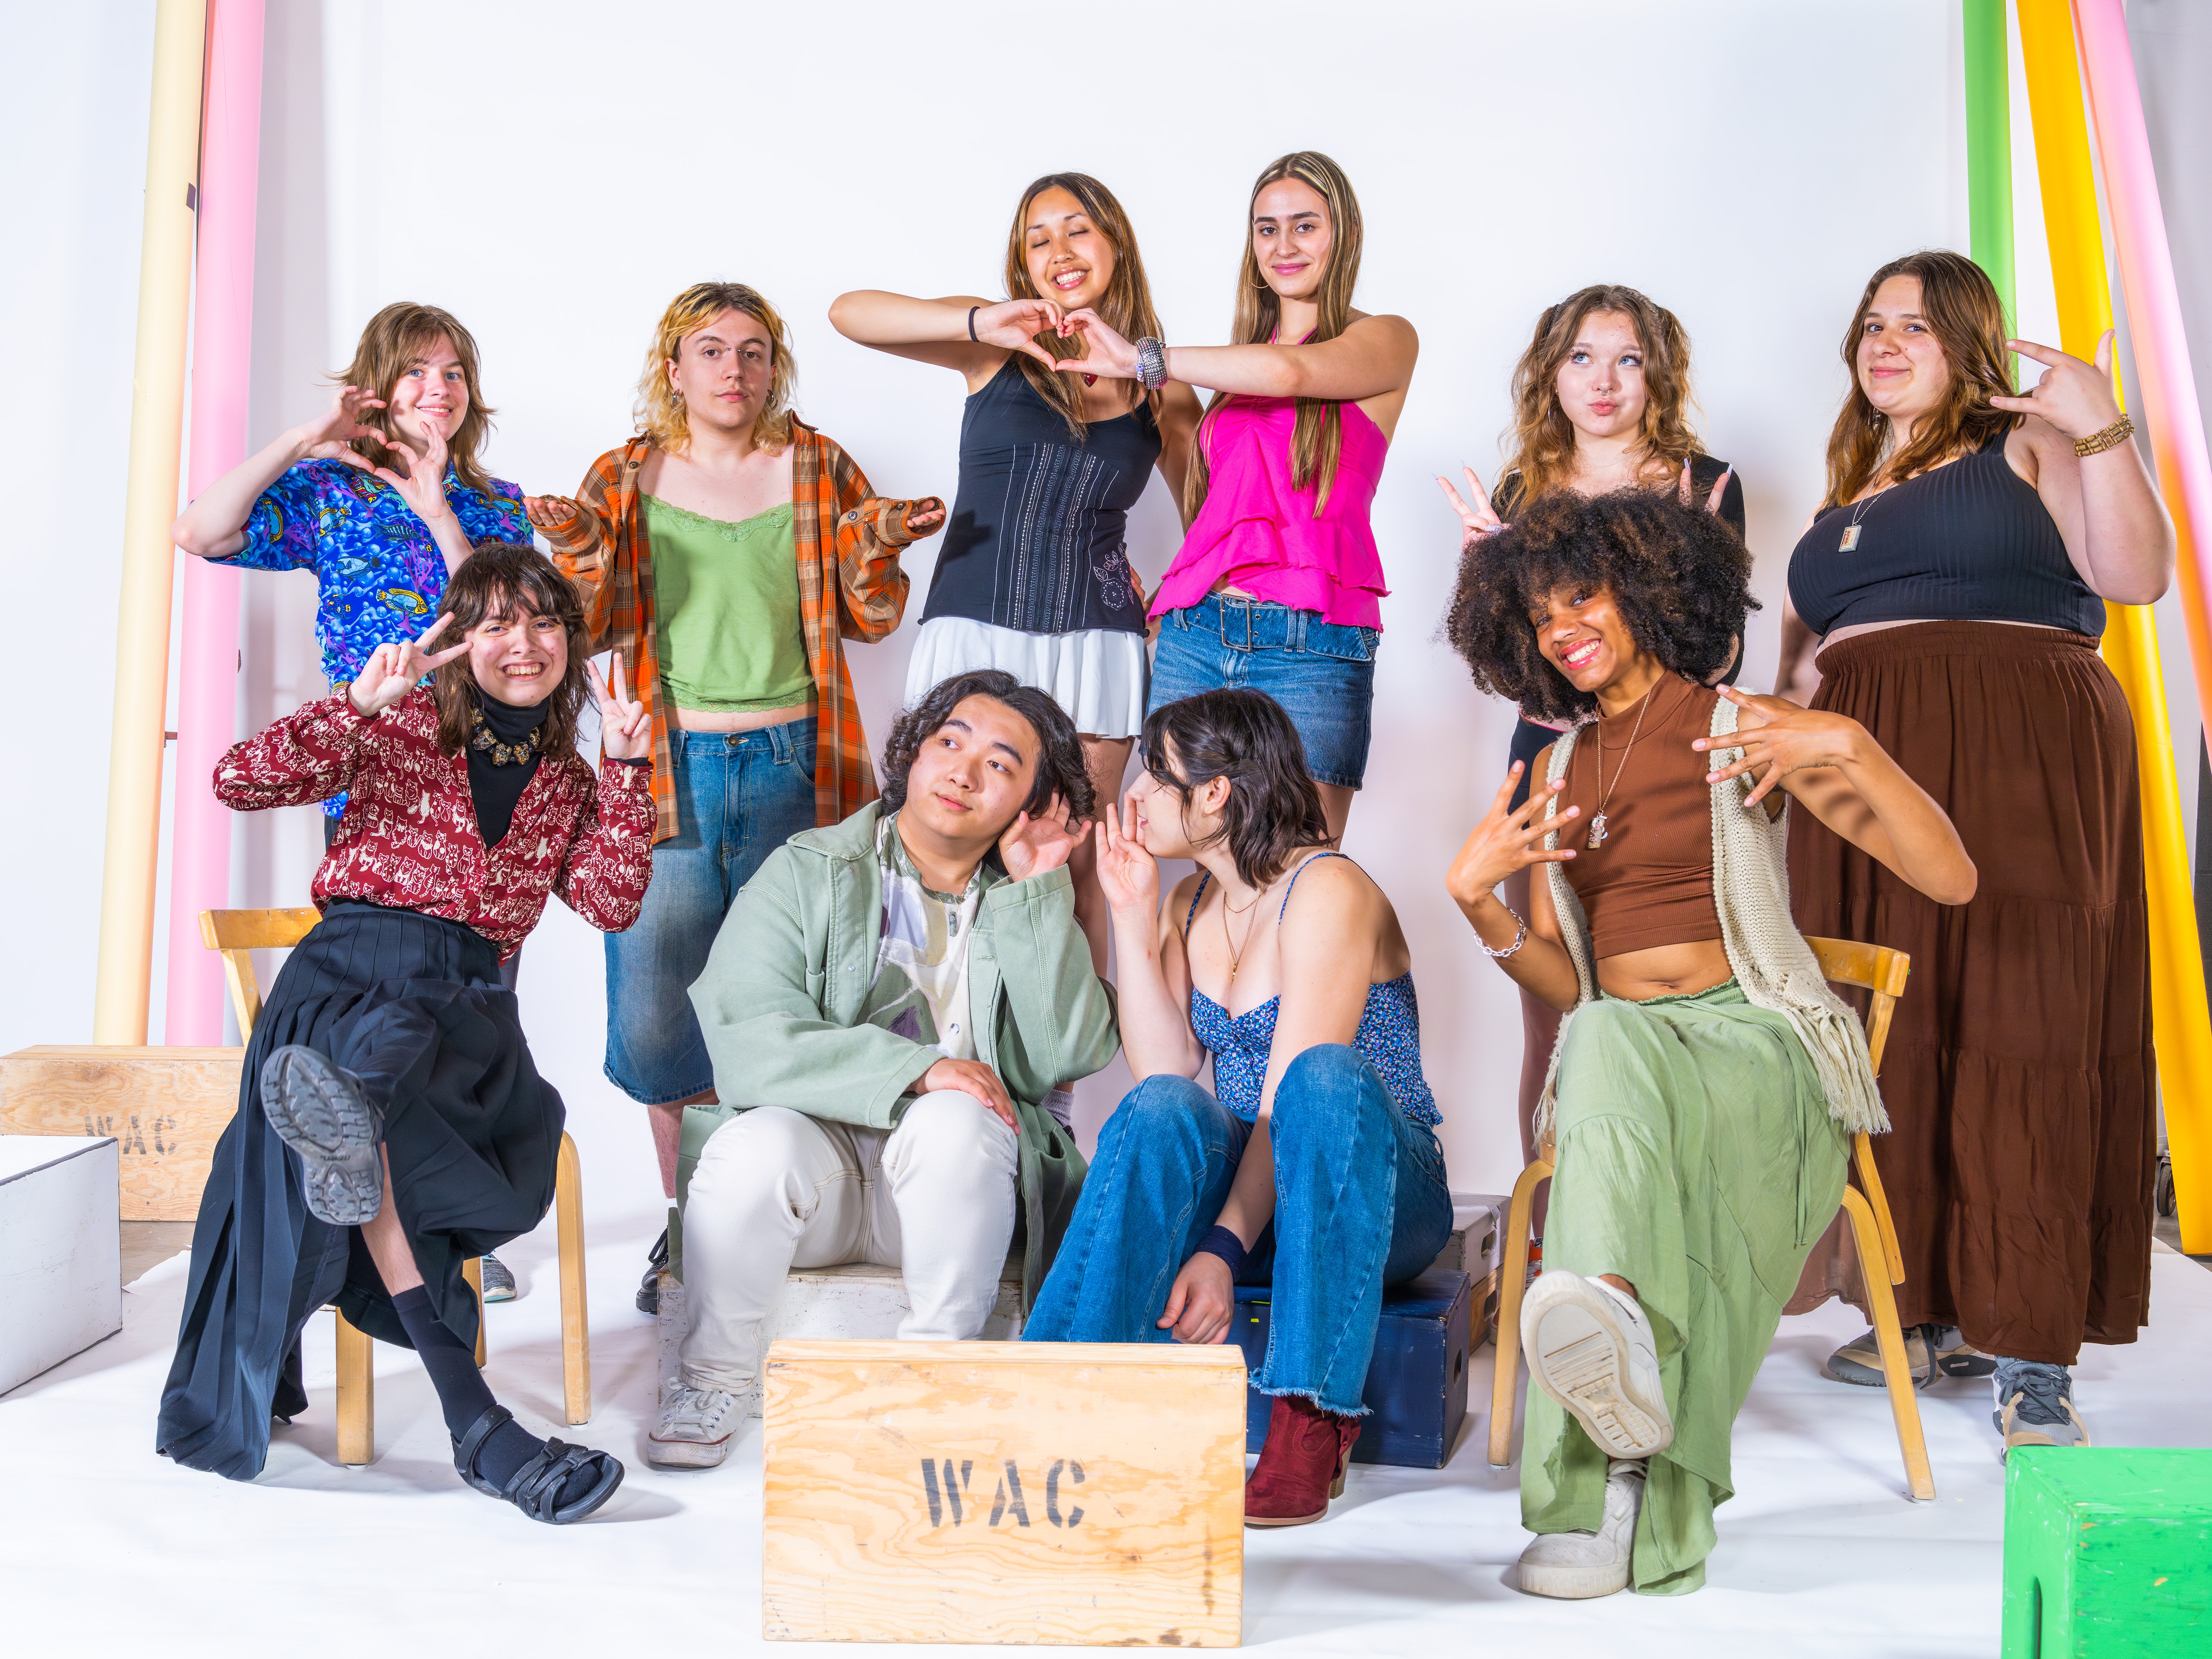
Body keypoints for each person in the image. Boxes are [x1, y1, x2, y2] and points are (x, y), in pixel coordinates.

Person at [1444, 489, 1975, 1596]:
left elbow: (1951, 877)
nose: (1561, 630)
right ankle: (1621, 1437)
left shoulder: (1748, 727)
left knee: (1601, 1047)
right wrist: (1479, 903)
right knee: (1596, 1031)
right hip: (1627, 1060)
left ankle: (1598, 1489)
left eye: (1581, 596)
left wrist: (1849, 741)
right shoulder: (1552, 770)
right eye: (1539, 616)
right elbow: (1560, 977)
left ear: (1644, 588)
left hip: (1753, 1049)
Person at [156, 544, 653, 1524]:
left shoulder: (566, 777)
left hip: (463, 1019)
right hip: (345, 982)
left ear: (572, 644)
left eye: (546, 622)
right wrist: (358, 702)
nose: (525, 643)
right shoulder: (400, 726)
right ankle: (478, 1426)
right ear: (459, 639)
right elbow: (236, 779)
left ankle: (350, 1117)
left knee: (395, 1067)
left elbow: (609, 900)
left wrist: (628, 774)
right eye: (498, 622)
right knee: (381, 1063)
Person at [1774, 250, 2172, 1454]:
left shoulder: (2032, 448)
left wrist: (2101, 425)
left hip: (2017, 744)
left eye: (1920, 326)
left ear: (1971, 345)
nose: (1887, 342)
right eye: (1873, 323)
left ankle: (2032, 1345)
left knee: (2024, 1019)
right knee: (1890, 1023)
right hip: (1856, 777)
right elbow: (1799, 670)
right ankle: (1930, 1305)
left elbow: (2136, 576)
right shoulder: (1846, 495)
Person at [528, 282, 944, 1315]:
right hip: (668, 769)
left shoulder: (815, 465)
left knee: (785, 1009)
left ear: (775, 368)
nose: (734, 370)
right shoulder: (624, 475)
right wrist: (578, 548)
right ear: (673, 366)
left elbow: (873, 616)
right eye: (710, 351)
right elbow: (591, 623)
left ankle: (771, 1232)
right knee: (664, 1022)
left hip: (796, 769)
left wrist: (877, 543)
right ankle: (690, 1235)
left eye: (754, 352)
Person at [650, 670, 1118, 1469]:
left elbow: (1070, 1052)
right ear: (914, 754)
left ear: (1032, 803)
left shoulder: (1023, 896)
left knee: (959, 1118)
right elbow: (746, 1039)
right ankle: (710, 1380)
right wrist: (919, 1068)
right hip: (815, 1190)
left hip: (948, 1194)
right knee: (756, 1144)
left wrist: (1043, 894)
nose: (966, 772)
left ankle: (932, 1380)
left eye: (1003, 765)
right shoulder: (812, 868)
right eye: (951, 742)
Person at [172, 299, 534, 1300]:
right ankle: (383, 1210)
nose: (441, 390)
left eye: (455, 371)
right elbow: (199, 531)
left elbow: (506, 632)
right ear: (380, 384)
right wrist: (305, 437)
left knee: (480, 998)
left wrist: (436, 509)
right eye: (418, 371)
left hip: (489, 769)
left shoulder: (498, 504)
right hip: (375, 775)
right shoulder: (329, 493)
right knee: (389, 992)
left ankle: (467, 1221)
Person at [1022, 688, 1452, 1528]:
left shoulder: (1327, 889)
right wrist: (1132, 915)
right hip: (1266, 1202)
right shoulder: (1191, 902)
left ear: (1214, 793)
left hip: (1377, 1190)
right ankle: (1058, 1395)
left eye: (1153, 779)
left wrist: (1221, 1246)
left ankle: (1310, 1416)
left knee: (1321, 1079)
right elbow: (1166, 1073)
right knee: (1158, 1111)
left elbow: (1293, 1100)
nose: (1133, 799)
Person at [1435, 283, 1743, 1265]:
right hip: (1553, 761)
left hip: (1670, 759)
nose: (1603, 381)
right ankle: (1552, 1246)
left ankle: (1669, 1243)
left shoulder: (1705, 482)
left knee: (1676, 998)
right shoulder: (1523, 495)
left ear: (1658, 373)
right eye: (1580, 357)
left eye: (1627, 358)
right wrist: (1493, 575)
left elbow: (1722, 654)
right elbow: (1508, 659)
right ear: (1550, 374)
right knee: (1557, 1006)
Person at [830, 173, 1203, 976]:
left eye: (1078, 231)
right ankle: (919, 1075)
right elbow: (849, 313)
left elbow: (1211, 521)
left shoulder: (1159, 384)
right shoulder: (994, 344)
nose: (1059, 252)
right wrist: (983, 318)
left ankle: (1053, 1095)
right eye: (1038, 239)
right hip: (973, 627)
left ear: (1116, 245)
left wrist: (1172, 603)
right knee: (938, 855)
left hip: (1099, 648)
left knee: (1076, 868)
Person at [1048, 152, 1418, 840]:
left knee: (1299, 871)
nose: (1284, 246)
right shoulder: (1230, 375)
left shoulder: (1384, 338)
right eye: (1266, 228)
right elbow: (1217, 510)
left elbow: (1291, 370)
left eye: (1305, 226)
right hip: (1197, 635)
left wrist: (1143, 359)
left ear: (1344, 235)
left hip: (1311, 639)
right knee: (1202, 868)